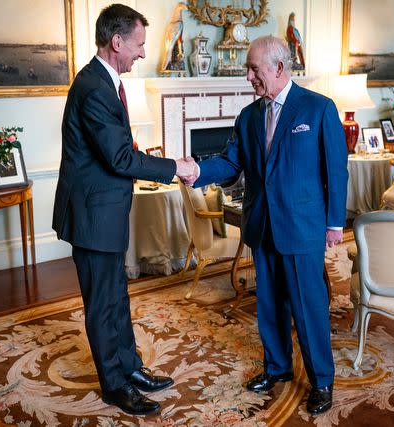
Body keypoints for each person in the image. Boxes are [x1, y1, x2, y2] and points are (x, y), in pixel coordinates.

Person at [180, 36, 348, 415]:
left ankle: (322, 380)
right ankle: (278, 369)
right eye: (248, 68)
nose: (248, 76)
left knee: (308, 306)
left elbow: (336, 170)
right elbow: (230, 163)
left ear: (279, 68)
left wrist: (334, 223)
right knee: (269, 304)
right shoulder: (249, 116)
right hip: (262, 224)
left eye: (254, 68)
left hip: (303, 225)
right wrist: (197, 171)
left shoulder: (318, 108)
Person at [52, 4, 196, 416]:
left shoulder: (105, 82)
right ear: (117, 42)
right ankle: (115, 385)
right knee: (102, 303)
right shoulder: (94, 87)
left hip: (105, 211)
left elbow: (117, 153)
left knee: (117, 296)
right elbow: (118, 157)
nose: (142, 53)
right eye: (138, 44)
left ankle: (130, 368)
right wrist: (175, 167)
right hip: (92, 216)